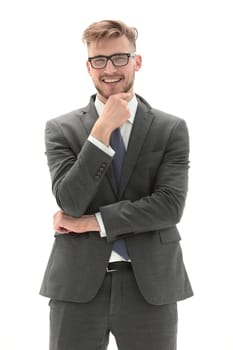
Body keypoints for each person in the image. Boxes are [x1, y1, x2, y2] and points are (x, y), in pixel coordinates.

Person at [40, 19, 193, 350]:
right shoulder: (60, 130)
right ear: (89, 67)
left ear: (136, 61)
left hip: (150, 286)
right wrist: (102, 131)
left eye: (119, 58)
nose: (110, 69)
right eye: (100, 60)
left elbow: (169, 206)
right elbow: (70, 201)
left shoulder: (170, 129)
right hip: (77, 285)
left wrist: (92, 222)